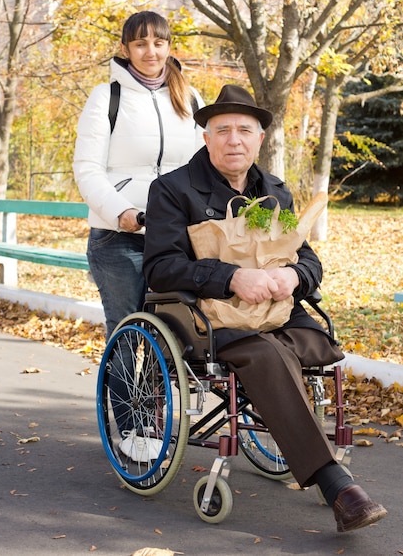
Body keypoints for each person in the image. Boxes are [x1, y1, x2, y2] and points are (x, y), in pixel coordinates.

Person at [142, 84, 387, 532]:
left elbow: (307, 257)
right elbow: (161, 267)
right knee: (269, 356)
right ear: (206, 138)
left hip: (275, 310)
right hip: (209, 317)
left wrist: (295, 276)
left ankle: (292, 429)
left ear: (259, 138)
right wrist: (232, 277)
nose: (234, 140)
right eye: (223, 130)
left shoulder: (273, 190)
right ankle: (336, 485)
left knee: (316, 344)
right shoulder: (174, 190)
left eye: (244, 130)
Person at [73, 11, 204, 450]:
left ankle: (162, 414)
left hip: (176, 236)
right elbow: (87, 169)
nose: (151, 52)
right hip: (120, 237)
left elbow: (206, 164)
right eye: (141, 43)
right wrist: (122, 211)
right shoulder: (106, 96)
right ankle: (131, 426)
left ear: (170, 46)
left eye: (159, 42)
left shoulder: (190, 97)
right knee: (130, 330)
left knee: (175, 330)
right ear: (126, 48)